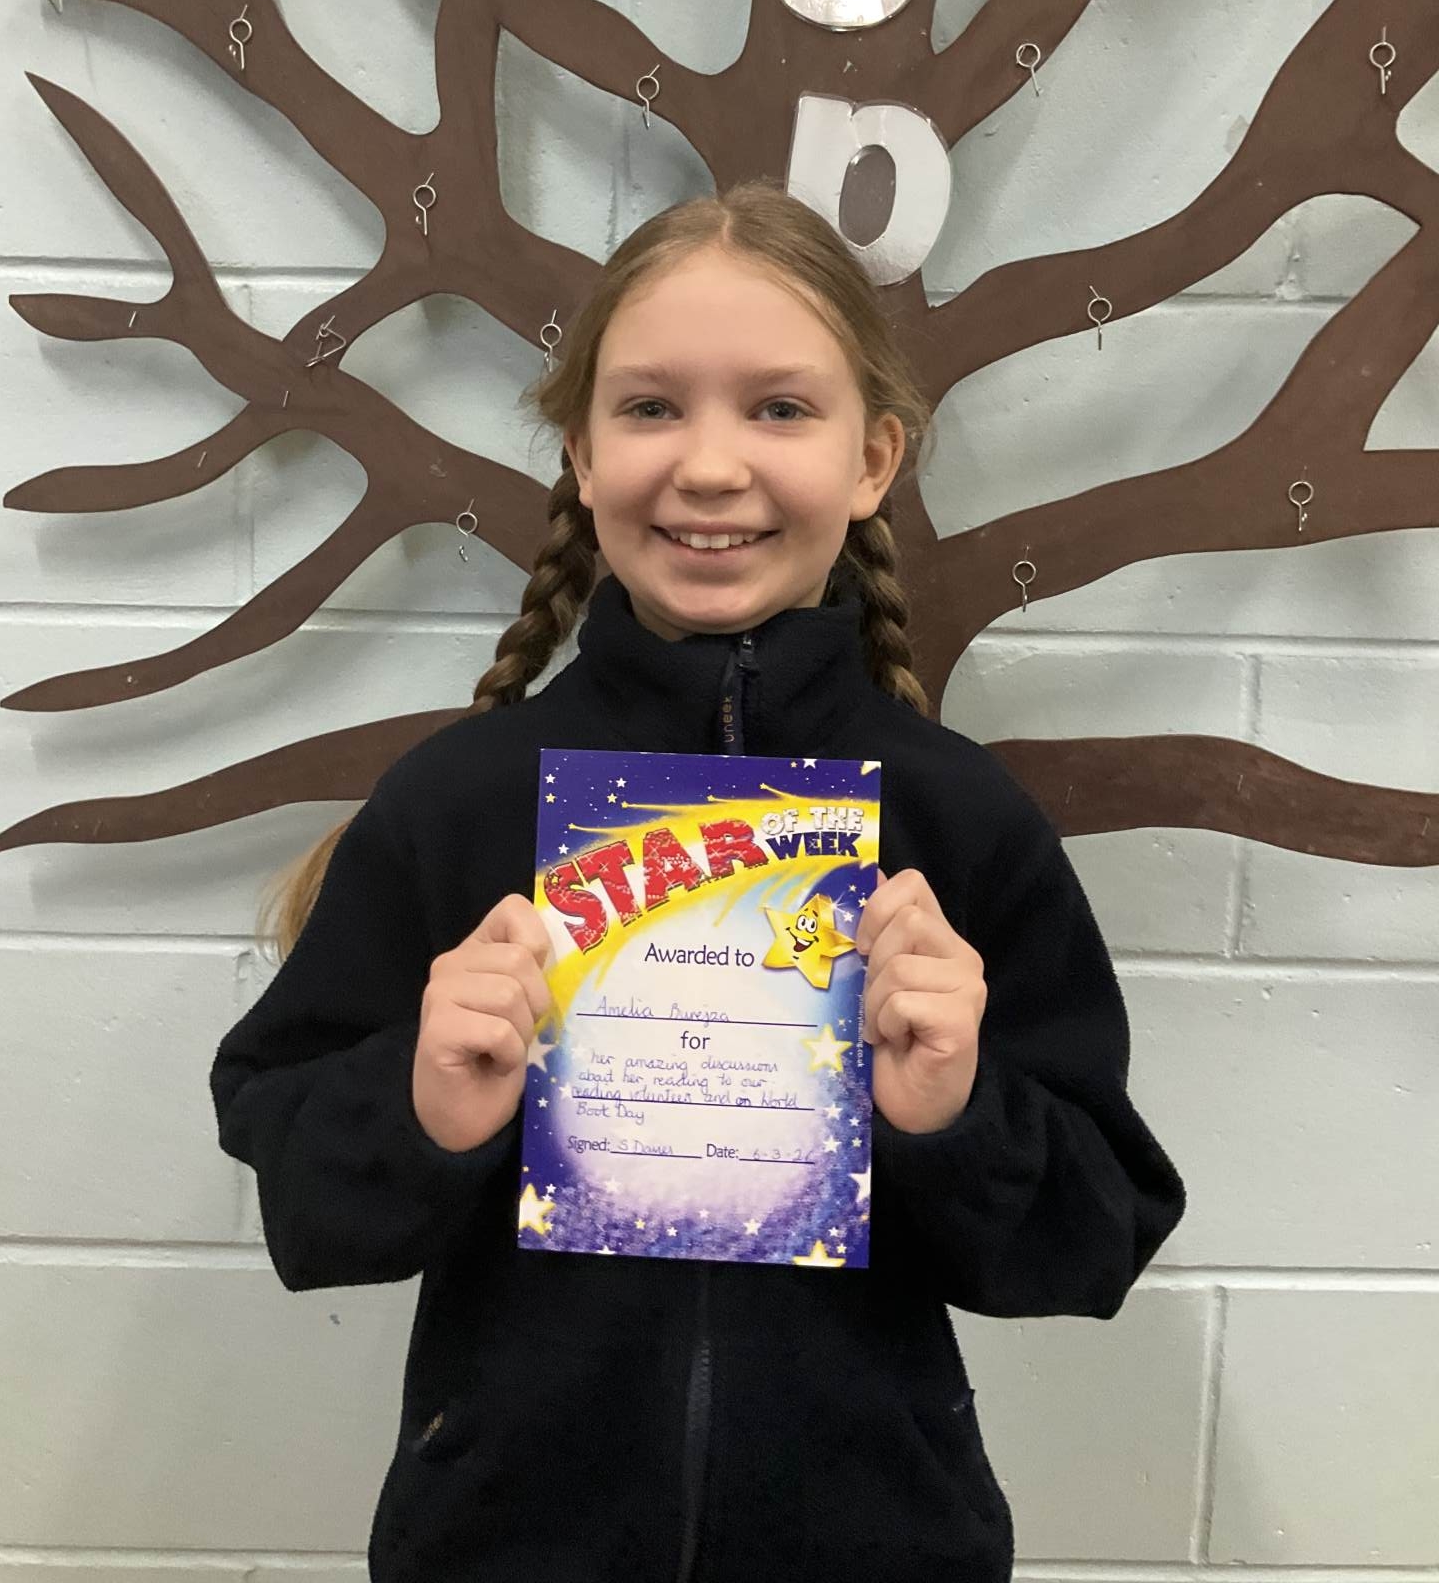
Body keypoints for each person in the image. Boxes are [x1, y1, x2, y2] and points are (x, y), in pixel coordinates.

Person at [210, 178, 1186, 1583]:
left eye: (779, 408)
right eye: (652, 407)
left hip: (878, 1548)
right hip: (503, 1547)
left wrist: (956, 1114)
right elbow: (300, 1189)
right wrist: (422, 1107)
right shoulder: (459, 802)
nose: (712, 467)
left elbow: (1091, 1245)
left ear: (873, 459)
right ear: (582, 453)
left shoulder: (961, 820)